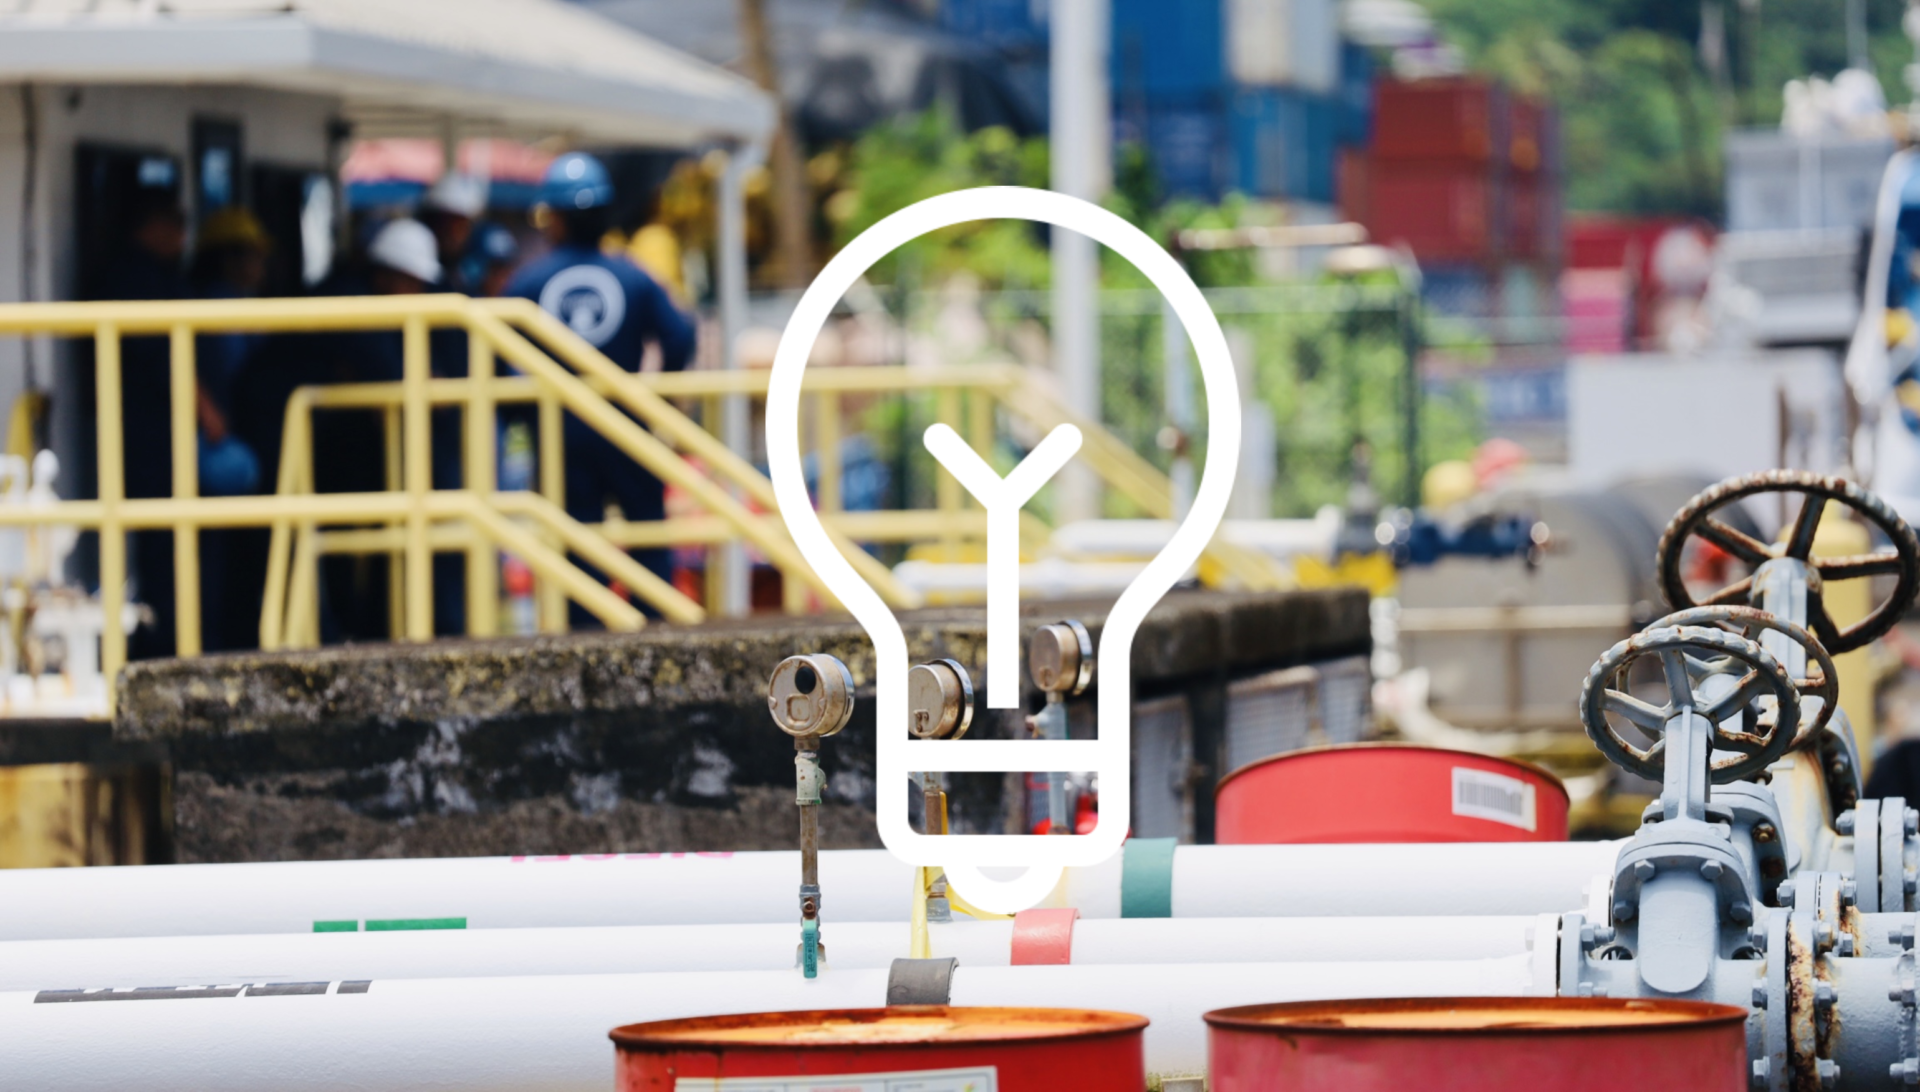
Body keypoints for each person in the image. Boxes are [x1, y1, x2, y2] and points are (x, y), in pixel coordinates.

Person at [505, 152, 695, 622]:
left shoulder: (527, 282)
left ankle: (584, 642)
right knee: (647, 531)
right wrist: (660, 399)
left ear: (554, 218)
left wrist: (521, 413)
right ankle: (656, 632)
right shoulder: (632, 276)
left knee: (577, 543)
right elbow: (680, 335)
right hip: (624, 425)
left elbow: (490, 353)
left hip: (560, 434)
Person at [92, 188, 189, 659]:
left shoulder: (144, 273)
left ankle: (160, 643)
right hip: (147, 432)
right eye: (175, 222)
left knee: (159, 543)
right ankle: (162, 648)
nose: (182, 236)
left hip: (140, 431)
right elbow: (163, 358)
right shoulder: (135, 277)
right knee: (162, 547)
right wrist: (208, 415)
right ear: (150, 225)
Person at [420, 173, 488, 292]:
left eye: (461, 225)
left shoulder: (475, 270)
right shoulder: (415, 272)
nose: (452, 234)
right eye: (446, 223)